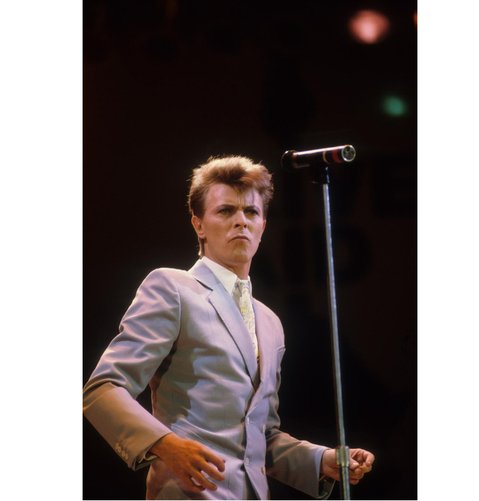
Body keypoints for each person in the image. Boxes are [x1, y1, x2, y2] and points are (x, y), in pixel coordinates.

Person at [83, 155, 375, 500]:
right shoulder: (173, 288)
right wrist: (165, 445)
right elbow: (103, 389)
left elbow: (258, 436)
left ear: (263, 226)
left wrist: (320, 459)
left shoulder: (269, 322)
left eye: (251, 212)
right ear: (199, 225)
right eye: (225, 211)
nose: (241, 221)